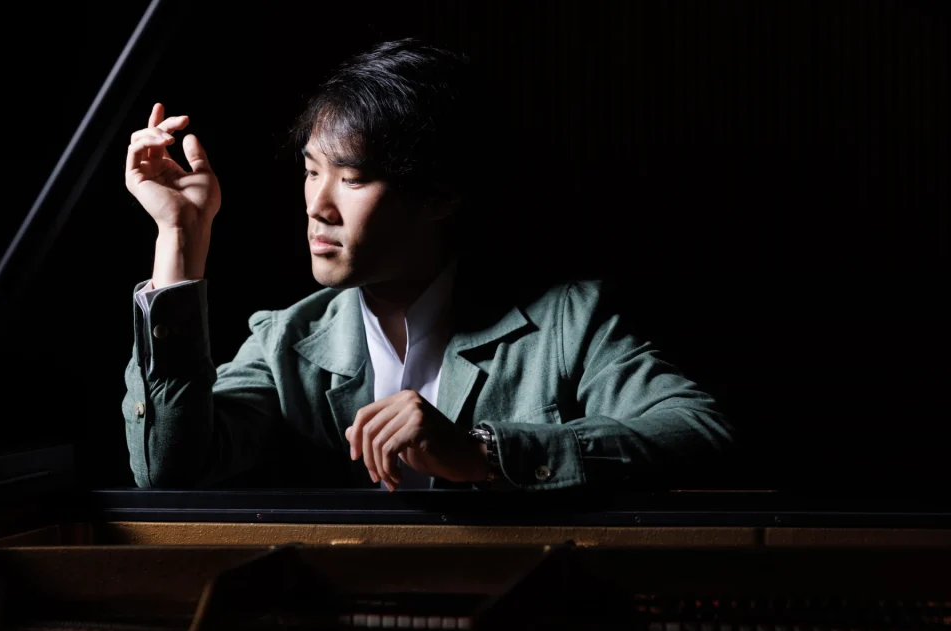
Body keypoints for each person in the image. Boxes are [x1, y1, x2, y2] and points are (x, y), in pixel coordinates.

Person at [122, 38, 734, 491]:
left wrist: (483, 453)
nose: (318, 207)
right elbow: (169, 469)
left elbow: (700, 434)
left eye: (352, 179)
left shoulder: (567, 325)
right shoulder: (285, 344)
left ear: (441, 195)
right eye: (311, 172)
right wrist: (180, 237)